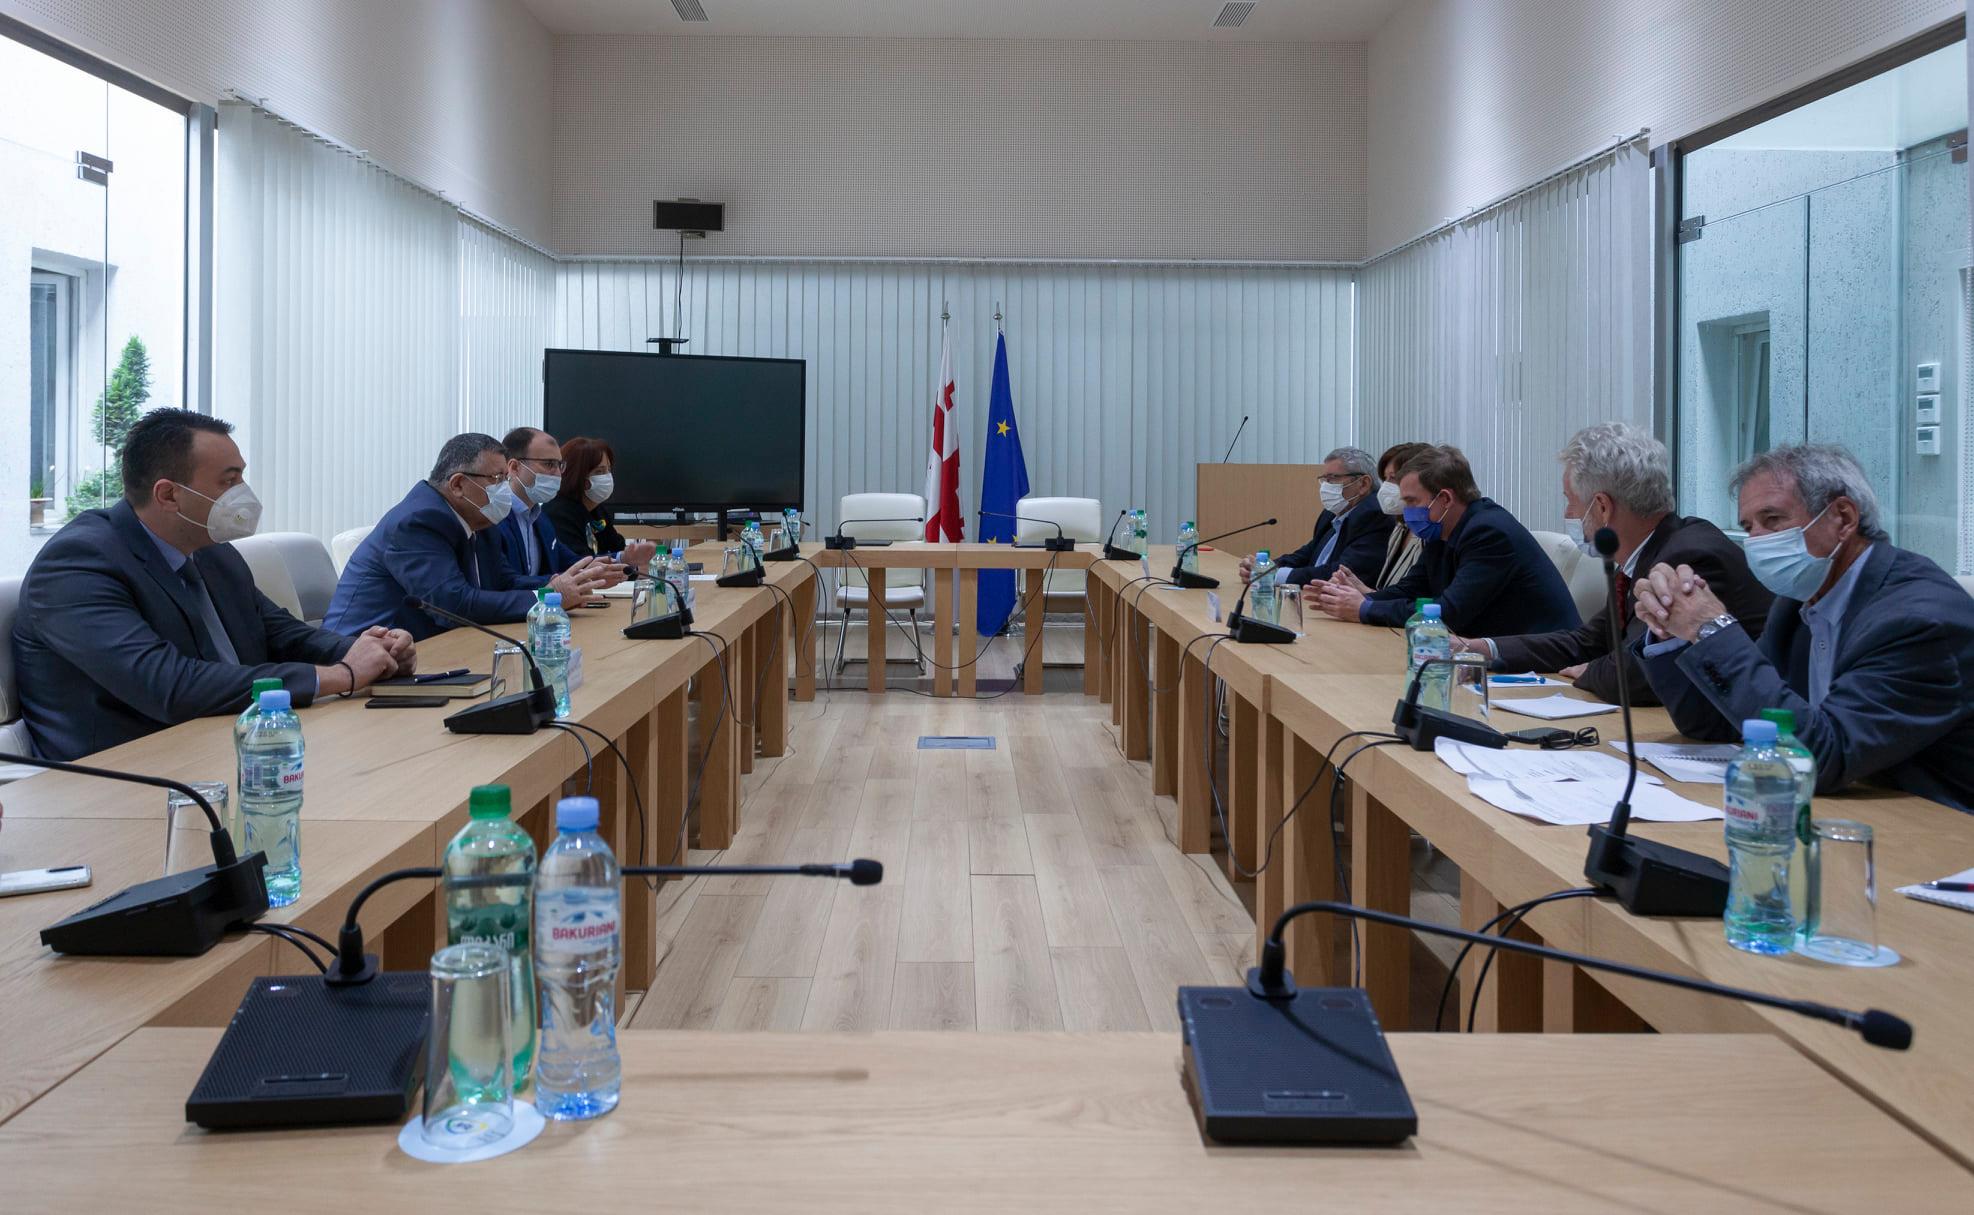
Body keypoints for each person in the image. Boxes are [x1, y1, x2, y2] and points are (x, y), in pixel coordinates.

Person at [13, 409, 413, 761]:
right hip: (125, 775)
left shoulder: (210, 550)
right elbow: (169, 685)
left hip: (231, 744)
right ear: (169, 495)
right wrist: (341, 675)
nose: (244, 494)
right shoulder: (77, 565)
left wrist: (367, 651)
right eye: (229, 480)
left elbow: (279, 631)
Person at [1633, 444, 1974, 811]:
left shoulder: (1916, 620)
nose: (1756, 540)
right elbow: (1714, 722)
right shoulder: (1798, 604)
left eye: (1772, 519)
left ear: (1843, 518)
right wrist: (1673, 631)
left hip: (1940, 827)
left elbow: (1825, 756)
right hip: (1848, 809)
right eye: (1748, 527)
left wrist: (1712, 629)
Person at [1448, 422, 1772, 704]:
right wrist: (1482, 648)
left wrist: (1593, 671)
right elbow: (1590, 641)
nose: (1568, 514)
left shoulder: (1687, 557)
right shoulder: (1646, 554)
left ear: (1602, 507)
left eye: (1570, 501)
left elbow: (1638, 674)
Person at [325, 433, 614, 641]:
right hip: (363, 653)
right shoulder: (419, 521)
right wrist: (548, 598)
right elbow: (453, 605)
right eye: (497, 479)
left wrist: (559, 586)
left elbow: (503, 581)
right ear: (458, 484)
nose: (505, 488)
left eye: (505, 478)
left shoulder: (480, 520)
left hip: (432, 646)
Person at [1305, 444, 1580, 636]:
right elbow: (1412, 589)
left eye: (1412, 501)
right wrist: (1360, 597)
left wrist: (1365, 609)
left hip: (1539, 666)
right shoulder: (1441, 529)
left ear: (1445, 498)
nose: (1406, 511)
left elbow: (1449, 612)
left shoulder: (1489, 533)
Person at [1238, 446, 1394, 588]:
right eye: (1324, 479)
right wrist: (1266, 567)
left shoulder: (1376, 516)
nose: (1326, 485)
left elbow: (1341, 572)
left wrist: (1274, 576)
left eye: (1332, 478)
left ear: (1363, 484)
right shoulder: (1332, 513)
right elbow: (1307, 553)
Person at [493, 427, 633, 583]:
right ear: (514, 467)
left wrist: (619, 559)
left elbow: (570, 561)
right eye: (549, 464)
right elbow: (503, 582)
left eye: (560, 465)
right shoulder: (493, 518)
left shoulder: (540, 518)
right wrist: (558, 583)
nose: (557, 473)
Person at [545, 436, 656, 569]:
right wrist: (624, 563)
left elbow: (617, 549)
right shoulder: (559, 514)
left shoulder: (596, 509)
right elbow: (580, 565)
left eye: (608, 470)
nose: (607, 477)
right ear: (577, 475)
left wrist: (631, 559)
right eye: (599, 471)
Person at [1370, 442, 1431, 589]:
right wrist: (1360, 590)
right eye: (1384, 479)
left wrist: (1366, 597)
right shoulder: (1400, 527)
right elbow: (1391, 591)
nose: (1385, 486)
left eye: (1393, 478)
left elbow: (1417, 593)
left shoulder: (1431, 532)